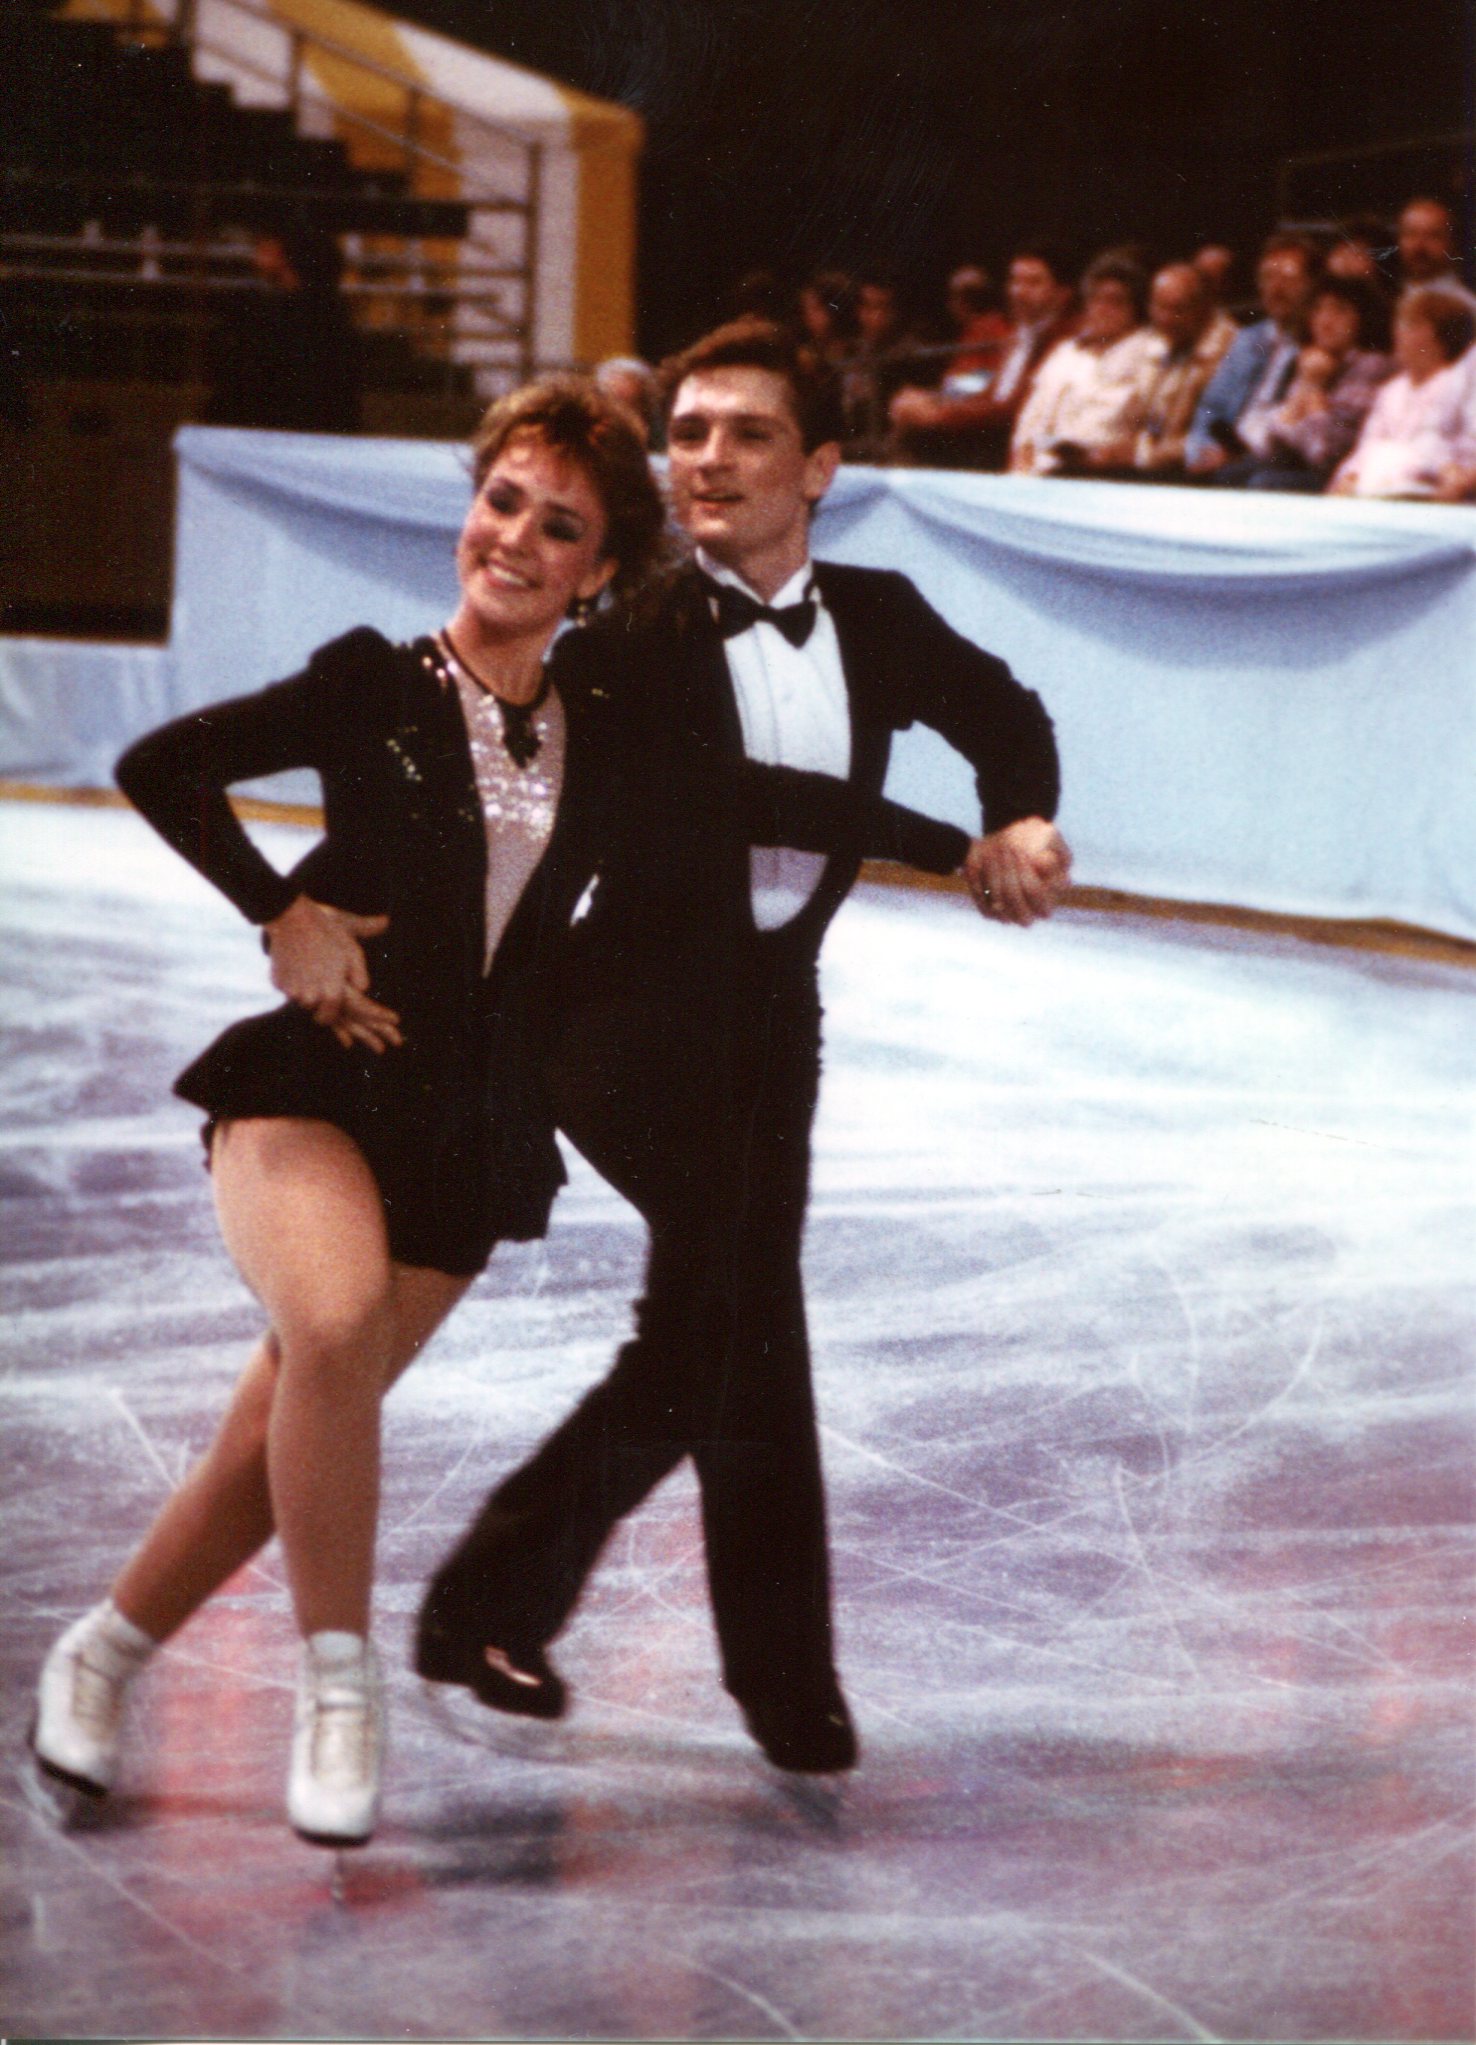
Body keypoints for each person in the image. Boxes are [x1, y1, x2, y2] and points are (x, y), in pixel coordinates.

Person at [28, 376, 958, 1843]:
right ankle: (342, 1688)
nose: (514, 538)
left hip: (464, 1135)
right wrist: (280, 912)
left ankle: (102, 1651)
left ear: (598, 569)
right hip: (314, 1089)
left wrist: (964, 845)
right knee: (330, 1329)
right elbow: (165, 766)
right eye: (502, 500)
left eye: (560, 524)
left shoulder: (604, 708)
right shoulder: (373, 681)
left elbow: (766, 795)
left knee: (275, 1447)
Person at [415, 318, 1072, 1774]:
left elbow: (1001, 708)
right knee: (744, 1337)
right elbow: (746, 799)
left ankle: (487, 1604)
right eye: (691, 430)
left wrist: (1020, 810)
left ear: (821, 467)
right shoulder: (637, 622)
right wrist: (951, 848)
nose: (707, 456)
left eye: (748, 433)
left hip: (777, 1027)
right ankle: (784, 1688)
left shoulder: (883, 614)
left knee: (702, 1342)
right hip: (622, 1025)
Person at [889, 244, 1077, 469]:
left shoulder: (1064, 340)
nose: (1018, 291)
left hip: (1010, 443)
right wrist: (933, 398)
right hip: (983, 431)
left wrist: (939, 414)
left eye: (1033, 282)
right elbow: (984, 386)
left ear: (1063, 293)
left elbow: (1014, 409)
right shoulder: (1016, 333)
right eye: (1015, 281)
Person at [1185, 233, 1322, 481]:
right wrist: (1203, 449)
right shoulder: (1248, 339)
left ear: (1312, 284)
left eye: (1289, 278)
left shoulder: (1319, 343)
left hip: (1270, 458)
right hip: (1226, 451)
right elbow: (1210, 408)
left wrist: (1239, 458)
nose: (1276, 288)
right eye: (1268, 277)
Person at [1238, 275, 1392, 491]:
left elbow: (1325, 453)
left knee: (1263, 483)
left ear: (1363, 318)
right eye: (1318, 310)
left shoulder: (1372, 367)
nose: (1325, 320)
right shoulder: (1313, 359)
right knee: (1236, 471)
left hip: (1341, 477)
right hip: (1302, 464)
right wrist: (1305, 385)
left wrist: (1313, 386)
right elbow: (1271, 443)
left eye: (1339, 310)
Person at [1009, 254, 1155, 474]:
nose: (1103, 309)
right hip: (1041, 471)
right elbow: (1029, 422)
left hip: (1106, 474)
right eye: (1096, 299)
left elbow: (1152, 435)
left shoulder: (1151, 355)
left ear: (1136, 308)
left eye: (1115, 301)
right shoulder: (1065, 353)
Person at [1096, 261, 1238, 479]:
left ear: (1204, 308)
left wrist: (1142, 455)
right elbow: (1132, 416)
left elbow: (1205, 437)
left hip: (1187, 473)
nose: (1165, 319)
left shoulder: (1229, 350)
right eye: (1160, 307)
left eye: (1177, 310)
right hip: (1145, 463)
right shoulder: (1156, 342)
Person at [1329, 286, 1474, 498]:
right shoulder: (1391, 391)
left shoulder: (1461, 385)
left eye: (1411, 325)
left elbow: (1469, 446)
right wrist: (1350, 476)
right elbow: (1369, 444)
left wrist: (1456, 479)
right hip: (1381, 487)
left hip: (1435, 488)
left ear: (1440, 334)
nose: (1398, 333)